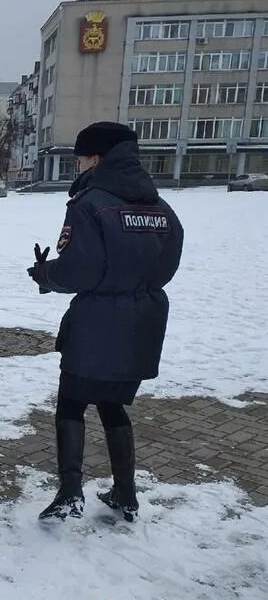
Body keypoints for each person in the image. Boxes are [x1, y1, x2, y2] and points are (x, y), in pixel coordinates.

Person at [28, 122, 183, 523]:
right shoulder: (159, 206)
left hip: (97, 320)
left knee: (72, 402)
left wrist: (46, 274)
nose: (78, 164)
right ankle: (126, 493)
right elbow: (167, 265)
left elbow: (80, 270)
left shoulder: (89, 203)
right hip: (143, 319)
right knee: (113, 402)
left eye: (80, 157)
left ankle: (70, 492)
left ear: (95, 157)